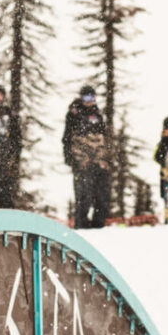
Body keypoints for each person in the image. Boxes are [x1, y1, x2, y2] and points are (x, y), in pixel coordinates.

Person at [63, 85, 111, 229]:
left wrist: (106, 159)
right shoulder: (74, 114)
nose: (89, 101)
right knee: (84, 196)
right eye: (86, 97)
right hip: (82, 161)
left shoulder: (98, 115)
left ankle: (98, 225)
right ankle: (81, 226)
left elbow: (105, 137)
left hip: (99, 161)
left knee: (103, 197)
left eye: (91, 97)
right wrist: (70, 158)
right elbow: (66, 138)